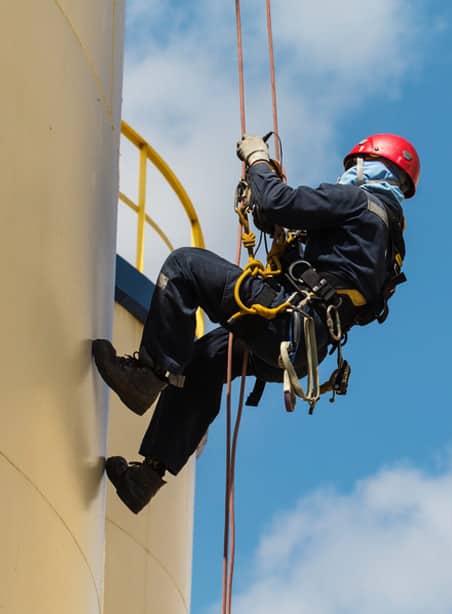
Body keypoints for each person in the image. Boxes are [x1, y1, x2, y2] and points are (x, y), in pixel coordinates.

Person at [93, 132, 420, 513]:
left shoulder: (357, 200)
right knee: (207, 360)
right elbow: (321, 261)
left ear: (369, 167)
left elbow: (279, 202)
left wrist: (258, 161)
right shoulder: (389, 241)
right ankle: (146, 478)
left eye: (353, 168)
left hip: (287, 322)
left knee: (185, 266)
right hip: (301, 347)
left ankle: (146, 376)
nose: (347, 174)